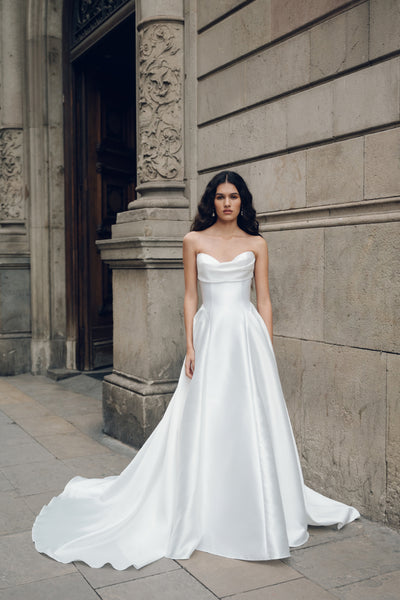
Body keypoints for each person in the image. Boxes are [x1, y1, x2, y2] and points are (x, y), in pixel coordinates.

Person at [32, 170, 359, 570]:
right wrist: (189, 344)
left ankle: (260, 505)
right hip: (210, 335)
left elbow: (265, 299)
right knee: (208, 416)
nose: (227, 203)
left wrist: (267, 346)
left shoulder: (257, 243)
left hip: (246, 336)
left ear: (243, 202)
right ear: (212, 201)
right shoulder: (193, 240)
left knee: (250, 420)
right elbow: (189, 295)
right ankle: (204, 504)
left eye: (234, 196)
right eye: (220, 196)